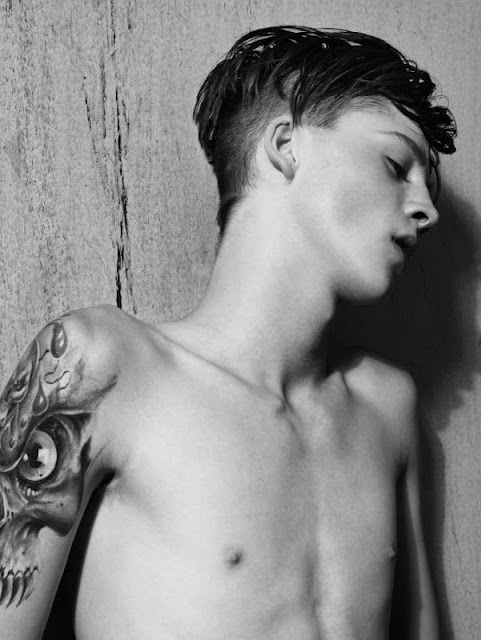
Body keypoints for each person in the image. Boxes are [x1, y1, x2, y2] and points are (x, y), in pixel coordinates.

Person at [0, 25, 456, 640]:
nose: (426, 208)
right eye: (396, 165)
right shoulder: (102, 368)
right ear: (286, 146)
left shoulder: (386, 408)